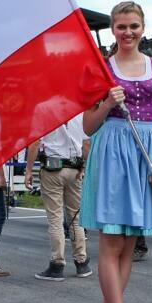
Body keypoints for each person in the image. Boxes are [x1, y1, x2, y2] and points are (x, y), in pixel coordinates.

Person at [81, 1, 152, 303]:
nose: (128, 33)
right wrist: (106, 103)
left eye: (133, 26)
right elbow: (87, 126)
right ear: (112, 29)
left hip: (146, 151)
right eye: (121, 27)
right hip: (112, 152)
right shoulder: (102, 70)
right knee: (111, 242)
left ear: (143, 27)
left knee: (128, 243)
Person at [26, 113, 92, 281]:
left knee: (55, 218)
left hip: (52, 168)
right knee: (75, 218)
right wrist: (84, 166)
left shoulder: (45, 111)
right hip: (74, 169)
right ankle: (81, 262)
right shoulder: (79, 113)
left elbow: (35, 142)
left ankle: (57, 263)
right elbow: (85, 144)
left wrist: (28, 170)